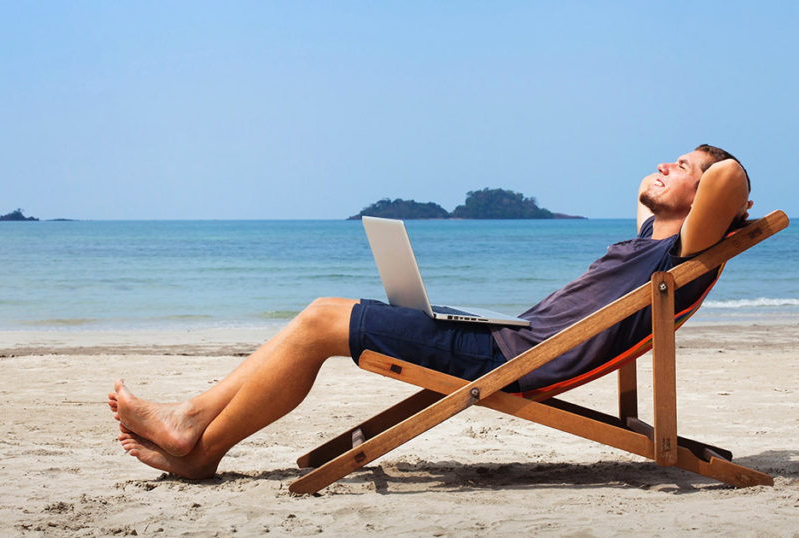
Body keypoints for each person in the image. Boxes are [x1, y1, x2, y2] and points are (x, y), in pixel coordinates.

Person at [108, 144, 753, 479]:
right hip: (507, 339)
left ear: (713, 202)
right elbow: (646, 192)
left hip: (510, 357)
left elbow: (725, 183)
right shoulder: (650, 238)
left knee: (320, 320)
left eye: (686, 166)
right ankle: (193, 429)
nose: (666, 166)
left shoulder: (684, 249)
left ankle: (196, 435)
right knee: (328, 313)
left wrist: (718, 175)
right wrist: (680, 175)